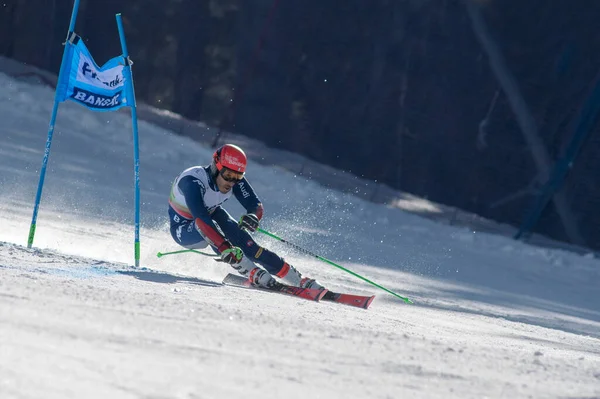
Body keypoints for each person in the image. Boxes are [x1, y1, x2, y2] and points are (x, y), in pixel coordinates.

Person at [168, 143, 324, 290]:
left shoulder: (233, 180)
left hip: (212, 214)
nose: (232, 182)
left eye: (238, 177)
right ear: (216, 167)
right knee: (210, 229)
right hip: (184, 228)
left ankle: (298, 279)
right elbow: (201, 220)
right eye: (228, 175)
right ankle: (250, 271)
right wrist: (224, 247)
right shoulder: (192, 181)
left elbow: (255, 205)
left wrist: (253, 216)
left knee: (248, 245)